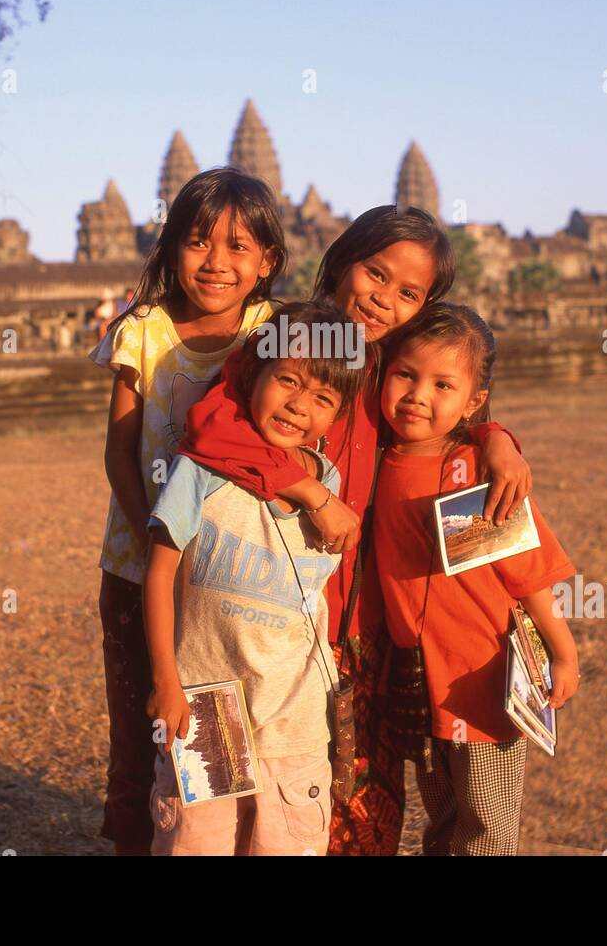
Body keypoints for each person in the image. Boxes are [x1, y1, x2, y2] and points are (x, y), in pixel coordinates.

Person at [178, 204, 534, 855]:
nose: (383, 298)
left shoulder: (398, 370)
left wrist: (497, 437)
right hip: (239, 622)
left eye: (409, 293)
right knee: (213, 799)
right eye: (375, 272)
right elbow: (209, 428)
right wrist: (310, 490)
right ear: (340, 260)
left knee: (348, 797)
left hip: (351, 627)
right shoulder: (290, 339)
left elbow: (455, 413)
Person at [90, 167, 286, 855]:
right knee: (145, 727)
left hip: (237, 575)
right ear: (171, 246)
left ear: (268, 262)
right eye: (200, 242)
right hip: (141, 565)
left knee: (231, 735)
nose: (218, 262)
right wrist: (156, 543)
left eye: (239, 247)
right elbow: (120, 453)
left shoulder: (274, 330)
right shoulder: (141, 330)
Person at [142, 301, 368, 855]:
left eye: (322, 398)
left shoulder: (330, 486)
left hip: (294, 720)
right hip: (202, 712)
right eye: (287, 380)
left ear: (337, 415)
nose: (298, 405)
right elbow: (158, 574)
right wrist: (167, 682)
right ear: (253, 375)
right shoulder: (199, 470)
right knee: (195, 843)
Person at [371, 303, 579, 855]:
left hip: (485, 681)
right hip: (419, 681)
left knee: (486, 827)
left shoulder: (475, 471)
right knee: (440, 817)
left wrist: (564, 651)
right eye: (405, 375)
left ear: (474, 401)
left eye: (443, 384)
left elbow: (527, 571)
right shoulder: (372, 457)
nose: (418, 395)